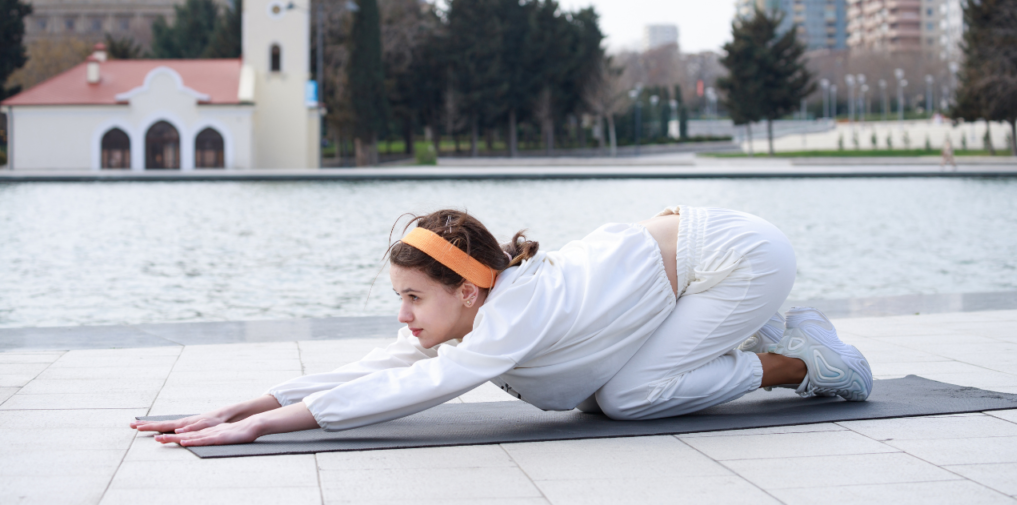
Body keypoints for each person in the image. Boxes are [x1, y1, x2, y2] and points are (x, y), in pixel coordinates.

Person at [132, 207, 872, 446]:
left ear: (466, 290)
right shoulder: (480, 305)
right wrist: (248, 404)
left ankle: (805, 363)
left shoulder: (511, 314)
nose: (403, 315)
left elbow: (424, 387)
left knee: (628, 398)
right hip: (694, 266)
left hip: (737, 260)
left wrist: (269, 431)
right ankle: (765, 330)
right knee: (604, 393)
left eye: (414, 298)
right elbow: (379, 366)